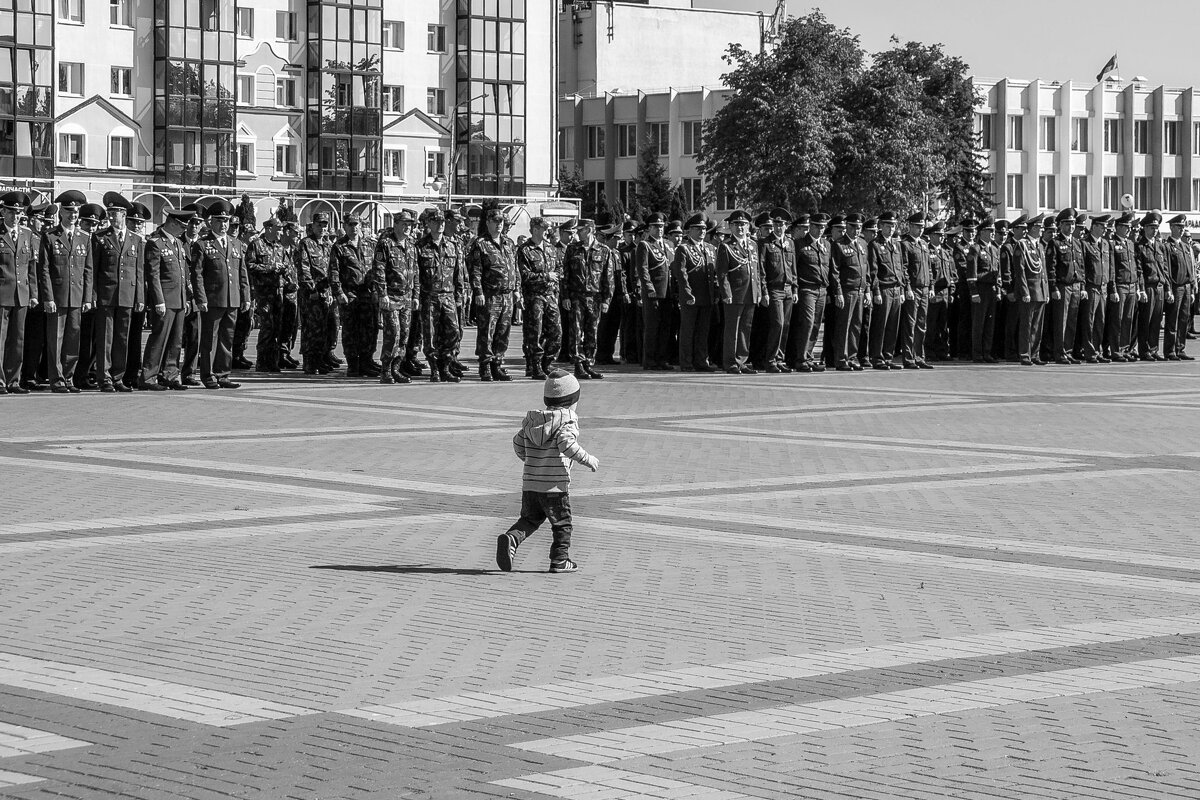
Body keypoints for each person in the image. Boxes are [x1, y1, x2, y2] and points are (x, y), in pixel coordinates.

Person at [497, 368, 599, 575]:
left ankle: (512, 538)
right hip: (555, 485)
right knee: (562, 524)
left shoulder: (534, 420)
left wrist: (530, 459)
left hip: (531, 483)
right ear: (572, 400)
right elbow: (566, 444)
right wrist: (588, 460)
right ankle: (560, 560)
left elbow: (517, 442)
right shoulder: (567, 419)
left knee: (530, 519)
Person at [191, 199, 250, 389]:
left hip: (232, 298)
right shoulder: (202, 244)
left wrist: (245, 296)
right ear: (211, 222)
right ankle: (208, 375)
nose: (224, 225)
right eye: (219, 221)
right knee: (210, 339)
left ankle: (223, 373)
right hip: (213, 299)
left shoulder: (236, 243)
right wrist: (201, 298)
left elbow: (242, 273)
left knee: (227, 338)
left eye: (226, 221)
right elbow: (197, 274)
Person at [39, 190, 93, 394]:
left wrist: (87, 298)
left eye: (76, 211)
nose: (73, 215)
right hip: (58, 296)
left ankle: (69, 377)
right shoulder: (50, 236)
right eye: (69, 211)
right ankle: (57, 379)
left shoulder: (84, 237)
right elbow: (44, 270)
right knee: (56, 339)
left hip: (77, 296)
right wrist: (48, 297)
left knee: (73, 339)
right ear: (61, 212)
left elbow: (88, 270)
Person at [91, 192, 144, 392]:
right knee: (105, 338)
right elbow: (94, 269)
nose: (112, 217)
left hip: (127, 295)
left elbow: (138, 271)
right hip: (106, 294)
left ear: (124, 215)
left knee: (122, 338)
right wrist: (94, 295)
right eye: (110, 213)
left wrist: (140, 297)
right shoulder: (100, 237)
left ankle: (118, 376)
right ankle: (103, 377)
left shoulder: (135, 240)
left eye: (116, 213)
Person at [140, 207, 196, 390]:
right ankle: (149, 376)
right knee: (159, 339)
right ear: (172, 223)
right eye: (181, 226)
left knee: (176, 341)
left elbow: (182, 274)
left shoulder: (178, 244)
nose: (183, 230)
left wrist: (187, 299)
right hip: (165, 300)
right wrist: (158, 301)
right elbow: (153, 275)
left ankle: (170, 375)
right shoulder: (156, 243)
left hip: (179, 299)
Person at [468, 206, 519, 382]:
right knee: (487, 332)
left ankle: (497, 363)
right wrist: (478, 292)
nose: (499, 225)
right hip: (490, 295)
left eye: (501, 222)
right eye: (495, 221)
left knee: (503, 332)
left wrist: (517, 289)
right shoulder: (480, 243)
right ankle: (485, 366)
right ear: (488, 222)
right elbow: (475, 270)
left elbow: (514, 268)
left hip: (507, 295)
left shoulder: (509, 243)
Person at [717, 209, 768, 374]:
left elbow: (757, 270)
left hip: (751, 292)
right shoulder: (726, 246)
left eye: (744, 225)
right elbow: (722, 273)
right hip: (735, 293)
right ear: (730, 227)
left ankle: (742, 360)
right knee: (732, 329)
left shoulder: (753, 244)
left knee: (746, 328)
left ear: (748, 227)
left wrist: (759, 291)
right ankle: (730, 362)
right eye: (737, 224)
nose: (740, 228)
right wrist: (726, 294)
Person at [416, 207, 464, 382]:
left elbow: (458, 273)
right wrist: (417, 296)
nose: (440, 225)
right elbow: (416, 274)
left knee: (453, 332)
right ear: (429, 223)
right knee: (431, 336)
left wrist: (459, 295)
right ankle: (435, 369)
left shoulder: (452, 246)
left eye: (443, 222)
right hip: (429, 297)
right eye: (436, 221)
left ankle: (446, 367)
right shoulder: (420, 246)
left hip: (448, 296)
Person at [373, 209, 419, 385]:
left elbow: (416, 273)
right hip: (391, 297)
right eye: (405, 224)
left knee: (405, 335)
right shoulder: (385, 244)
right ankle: (386, 369)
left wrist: (415, 294)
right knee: (393, 334)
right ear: (396, 224)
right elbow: (379, 270)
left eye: (410, 225)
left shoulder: (411, 245)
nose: (408, 228)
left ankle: (396, 368)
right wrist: (382, 294)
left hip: (406, 297)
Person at [333, 212, 381, 377]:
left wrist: (376, 290)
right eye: (350, 225)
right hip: (350, 293)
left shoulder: (370, 245)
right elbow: (334, 272)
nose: (354, 228)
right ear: (345, 226)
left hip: (367, 294)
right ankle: (353, 364)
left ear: (361, 226)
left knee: (369, 329)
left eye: (356, 224)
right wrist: (339, 292)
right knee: (351, 330)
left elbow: (376, 269)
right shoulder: (339, 246)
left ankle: (366, 361)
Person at [0, 191, 37, 393]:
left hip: (21, 293)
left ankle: (14, 380)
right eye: (12, 212)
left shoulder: (27, 234)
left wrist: (33, 294)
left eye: (19, 213)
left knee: (18, 340)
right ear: (3, 211)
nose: (15, 217)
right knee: (0, 339)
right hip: (2, 293)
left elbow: (31, 266)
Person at [517, 217, 562, 380]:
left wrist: (555, 283)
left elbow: (558, 269)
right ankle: (534, 366)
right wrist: (546, 277)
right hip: (534, 297)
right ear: (535, 229)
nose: (547, 232)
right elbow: (524, 275)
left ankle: (547, 363)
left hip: (550, 296)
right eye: (544, 229)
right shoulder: (525, 250)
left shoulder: (551, 249)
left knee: (556, 332)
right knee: (534, 333)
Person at [673, 213, 718, 372]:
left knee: (703, 331)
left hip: (707, 296)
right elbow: (682, 274)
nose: (702, 232)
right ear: (689, 230)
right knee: (688, 331)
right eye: (698, 229)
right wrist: (687, 293)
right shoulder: (683, 249)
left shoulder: (710, 248)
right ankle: (686, 362)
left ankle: (701, 361)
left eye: (704, 229)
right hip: (691, 297)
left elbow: (714, 273)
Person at [296, 212, 340, 374]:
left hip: (326, 293)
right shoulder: (306, 244)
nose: (322, 228)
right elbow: (303, 268)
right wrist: (311, 289)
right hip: (312, 294)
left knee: (325, 328)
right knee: (311, 328)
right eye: (319, 225)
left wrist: (333, 291)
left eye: (324, 225)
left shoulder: (328, 246)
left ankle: (320, 359)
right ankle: (309, 362)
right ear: (312, 225)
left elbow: (333, 269)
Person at [244, 216, 289, 373]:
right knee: (267, 328)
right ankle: (262, 361)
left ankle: (272, 361)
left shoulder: (280, 247)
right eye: (279, 229)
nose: (281, 232)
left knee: (277, 327)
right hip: (264, 294)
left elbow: (287, 266)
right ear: (270, 229)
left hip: (278, 292)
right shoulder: (256, 245)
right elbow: (249, 266)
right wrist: (270, 267)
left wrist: (284, 269)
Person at [867, 211, 908, 369]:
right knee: (880, 325)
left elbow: (901, 269)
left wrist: (903, 290)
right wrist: (876, 291)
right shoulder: (875, 245)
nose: (891, 228)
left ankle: (888, 357)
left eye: (893, 225)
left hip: (896, 289)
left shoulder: (897, 245)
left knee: (892, 325)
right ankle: (877, 358)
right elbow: (873, 271)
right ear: (881, 226)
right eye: (888, 225)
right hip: (883, 289)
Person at [1046, 208, 1086, 364]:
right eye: (1067, 224)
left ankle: (1068, 351)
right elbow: (1051, 267)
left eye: (1073, 224)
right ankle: (1060, 353)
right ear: (1060, 225)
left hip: (1075, 286)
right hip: (1063, 286)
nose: (1071, 227)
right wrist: (1054, 287)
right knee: (1060, 322)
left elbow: (1081, 266)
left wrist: (1082, 286)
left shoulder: (1077, 243)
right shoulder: (1054, 243)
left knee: (1071, 322)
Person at [636, 212, 675, 371]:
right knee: (652, 327)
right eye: (656, 226)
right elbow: (643, 269)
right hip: (653, 292)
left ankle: (661, 358)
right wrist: (649, 288)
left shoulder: (668, 245)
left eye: (661, 226)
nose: (660, 229)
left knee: (665, 327)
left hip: (668, 291)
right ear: (649, 228)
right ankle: (650, 360)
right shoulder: (645, 245)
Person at [1013, 214, 1050, 366]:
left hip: (1040, 291)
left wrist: (1046, 291)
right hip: (1029, 291)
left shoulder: (1039, 245)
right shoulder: (1022, 245)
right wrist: (1025, 291)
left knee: (1037, 326)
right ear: (1033, 228)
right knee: (1027, 325)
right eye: (1040, 227)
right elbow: (1020, 270)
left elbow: (1044, 271)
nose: (1041, 230)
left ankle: (1035, 354)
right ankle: (1025, 354)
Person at [1106, 212, 1142, 361]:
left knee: (1128, 319)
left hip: (1131, 286)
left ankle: (1125, 348)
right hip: (1120, 285)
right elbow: (1112, 269)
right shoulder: (1112, 244)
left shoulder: (1130, 244)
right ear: (1118, 227)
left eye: (1129, 227)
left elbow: (1134, 267)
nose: (1128, 230)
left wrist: (1138, 287)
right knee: (1117, 320)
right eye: (1126, 227)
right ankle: (1116, 350)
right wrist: (1113, 288)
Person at [1162, 214, 1197, 360]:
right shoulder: (1167, 246)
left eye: (1183, 227)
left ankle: (1180, 348)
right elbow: (1167, 269)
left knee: (1184, 319)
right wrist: (1168, 289)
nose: (1182, 230)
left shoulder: (1185, 246)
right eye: (1179, 227)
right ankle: (1170, 351)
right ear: (1171, 228)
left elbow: (1190, 267)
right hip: (1176, 287)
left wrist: (1193, 287)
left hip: (1187, 287)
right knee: (1172, 319)